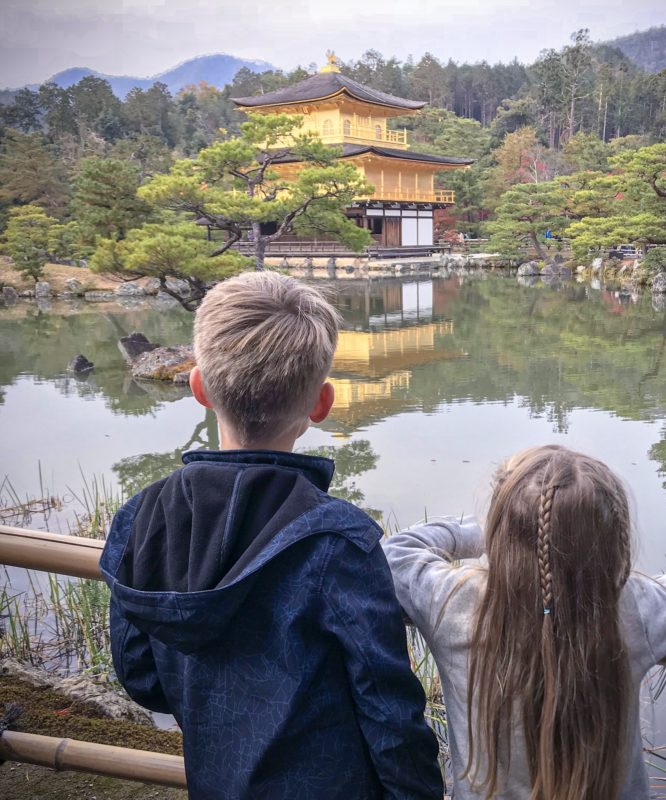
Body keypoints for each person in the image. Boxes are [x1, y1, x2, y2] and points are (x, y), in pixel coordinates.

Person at [100, 271, 443, 800]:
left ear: (199, 388)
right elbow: (389, 712)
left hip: (214, 781)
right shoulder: (338, 541)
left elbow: (141, 676)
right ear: (321, 403)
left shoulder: (141, 516)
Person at [383, 445, 666, 800]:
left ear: (500, 532)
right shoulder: (629, 609)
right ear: (612, 541)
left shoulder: (454, 604)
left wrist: (485, 531)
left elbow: (396, 552)